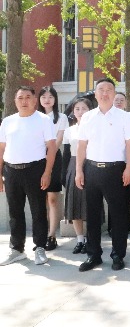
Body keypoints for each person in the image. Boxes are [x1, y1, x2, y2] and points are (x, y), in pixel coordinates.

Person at [76, 78, 130, 271]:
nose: (105, 93)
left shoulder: (124, 117)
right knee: (92, 215)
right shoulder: (87, 117)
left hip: (116, 170)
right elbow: (82, 146)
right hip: (92, 169)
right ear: (95, 94)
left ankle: (118, 255)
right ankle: (93, 255)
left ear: (114, 93)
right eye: (101, 89)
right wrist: (79, 171)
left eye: (109, 89)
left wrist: (129, 168)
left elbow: (129, 144)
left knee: (118, 215)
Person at [0, 86, 57, 266]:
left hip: (35, 169)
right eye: (20, 98)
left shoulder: (43, 120)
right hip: (11, 171)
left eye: (27, 97)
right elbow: (1, 149)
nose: (24, 101)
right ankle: (17, 249)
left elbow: (52, 147)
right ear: (15, 101)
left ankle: (40, 247)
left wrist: (47, 172)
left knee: (38, 210)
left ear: (34, 100)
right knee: (15, 211)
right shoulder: (7, 121)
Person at [37, 86, 69, 251]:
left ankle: (51, 235)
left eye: (50, 97)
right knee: (39, 199)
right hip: (35, 159)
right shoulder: (35, 117)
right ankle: (41, 236)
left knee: (52, 198)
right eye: (43, 97)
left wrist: (48, 153)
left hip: (54, 158)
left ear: (55, 99)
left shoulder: (61, 117)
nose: (47, 100)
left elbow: (58, 140)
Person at [63, 97, 95, 254]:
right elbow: (66, 154)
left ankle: (91, 239)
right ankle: (80, 239)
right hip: (73, 165)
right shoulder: (69, 130)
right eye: (77, 109)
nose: (81, 112)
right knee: (74, 203)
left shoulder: (95, 128)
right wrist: (65, 174)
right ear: (73, 111)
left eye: (84, 108)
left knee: (90, 203)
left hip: (91, 165)